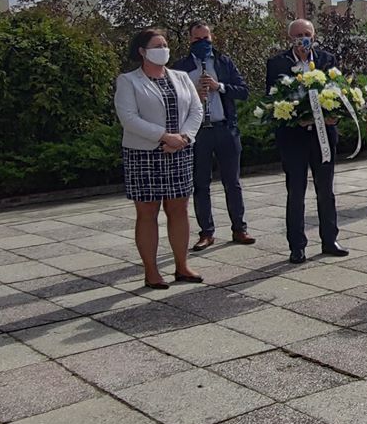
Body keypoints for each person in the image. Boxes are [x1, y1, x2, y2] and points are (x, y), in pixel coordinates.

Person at [114, 28, 206, 289]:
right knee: (147, 212)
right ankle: (151, 271)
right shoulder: (128, 81)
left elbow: (196, 110)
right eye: (157, 46)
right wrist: (164, 136)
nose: (163, 49)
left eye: (165, 44)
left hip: (179, 151)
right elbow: (129, 118)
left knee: (179, 209)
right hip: (144, 154)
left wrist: (184, 138)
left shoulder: (181, 77)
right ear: (142, 52)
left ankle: (182, 266)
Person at [265, 18, 348, 264]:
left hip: (323, 135)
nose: (303, 38)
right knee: (296, 191)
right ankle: (297, 246)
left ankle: (330, 239)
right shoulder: (277, 63)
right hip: (294, 137)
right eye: (298, 35)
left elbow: (337, 90)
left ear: (314, 36)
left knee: (326, 189)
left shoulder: (327, 60)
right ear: (289, 38)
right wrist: (294, 117)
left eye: (307, 34)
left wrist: (334, 114)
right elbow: (273, 98)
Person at [183, 21, 254, 251]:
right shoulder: (181, 67)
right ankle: (206, 232)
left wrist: (219, 86)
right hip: (198, 132)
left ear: (212, 38)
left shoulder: (224, 62)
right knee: (201, 184)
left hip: (225, 128)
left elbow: (243, 91)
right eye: (197, 39)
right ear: (190, 40)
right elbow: (174, 101)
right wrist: (194, 94)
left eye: (206, 38)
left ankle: (239, 228)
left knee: (232, 182)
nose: (202, 43)